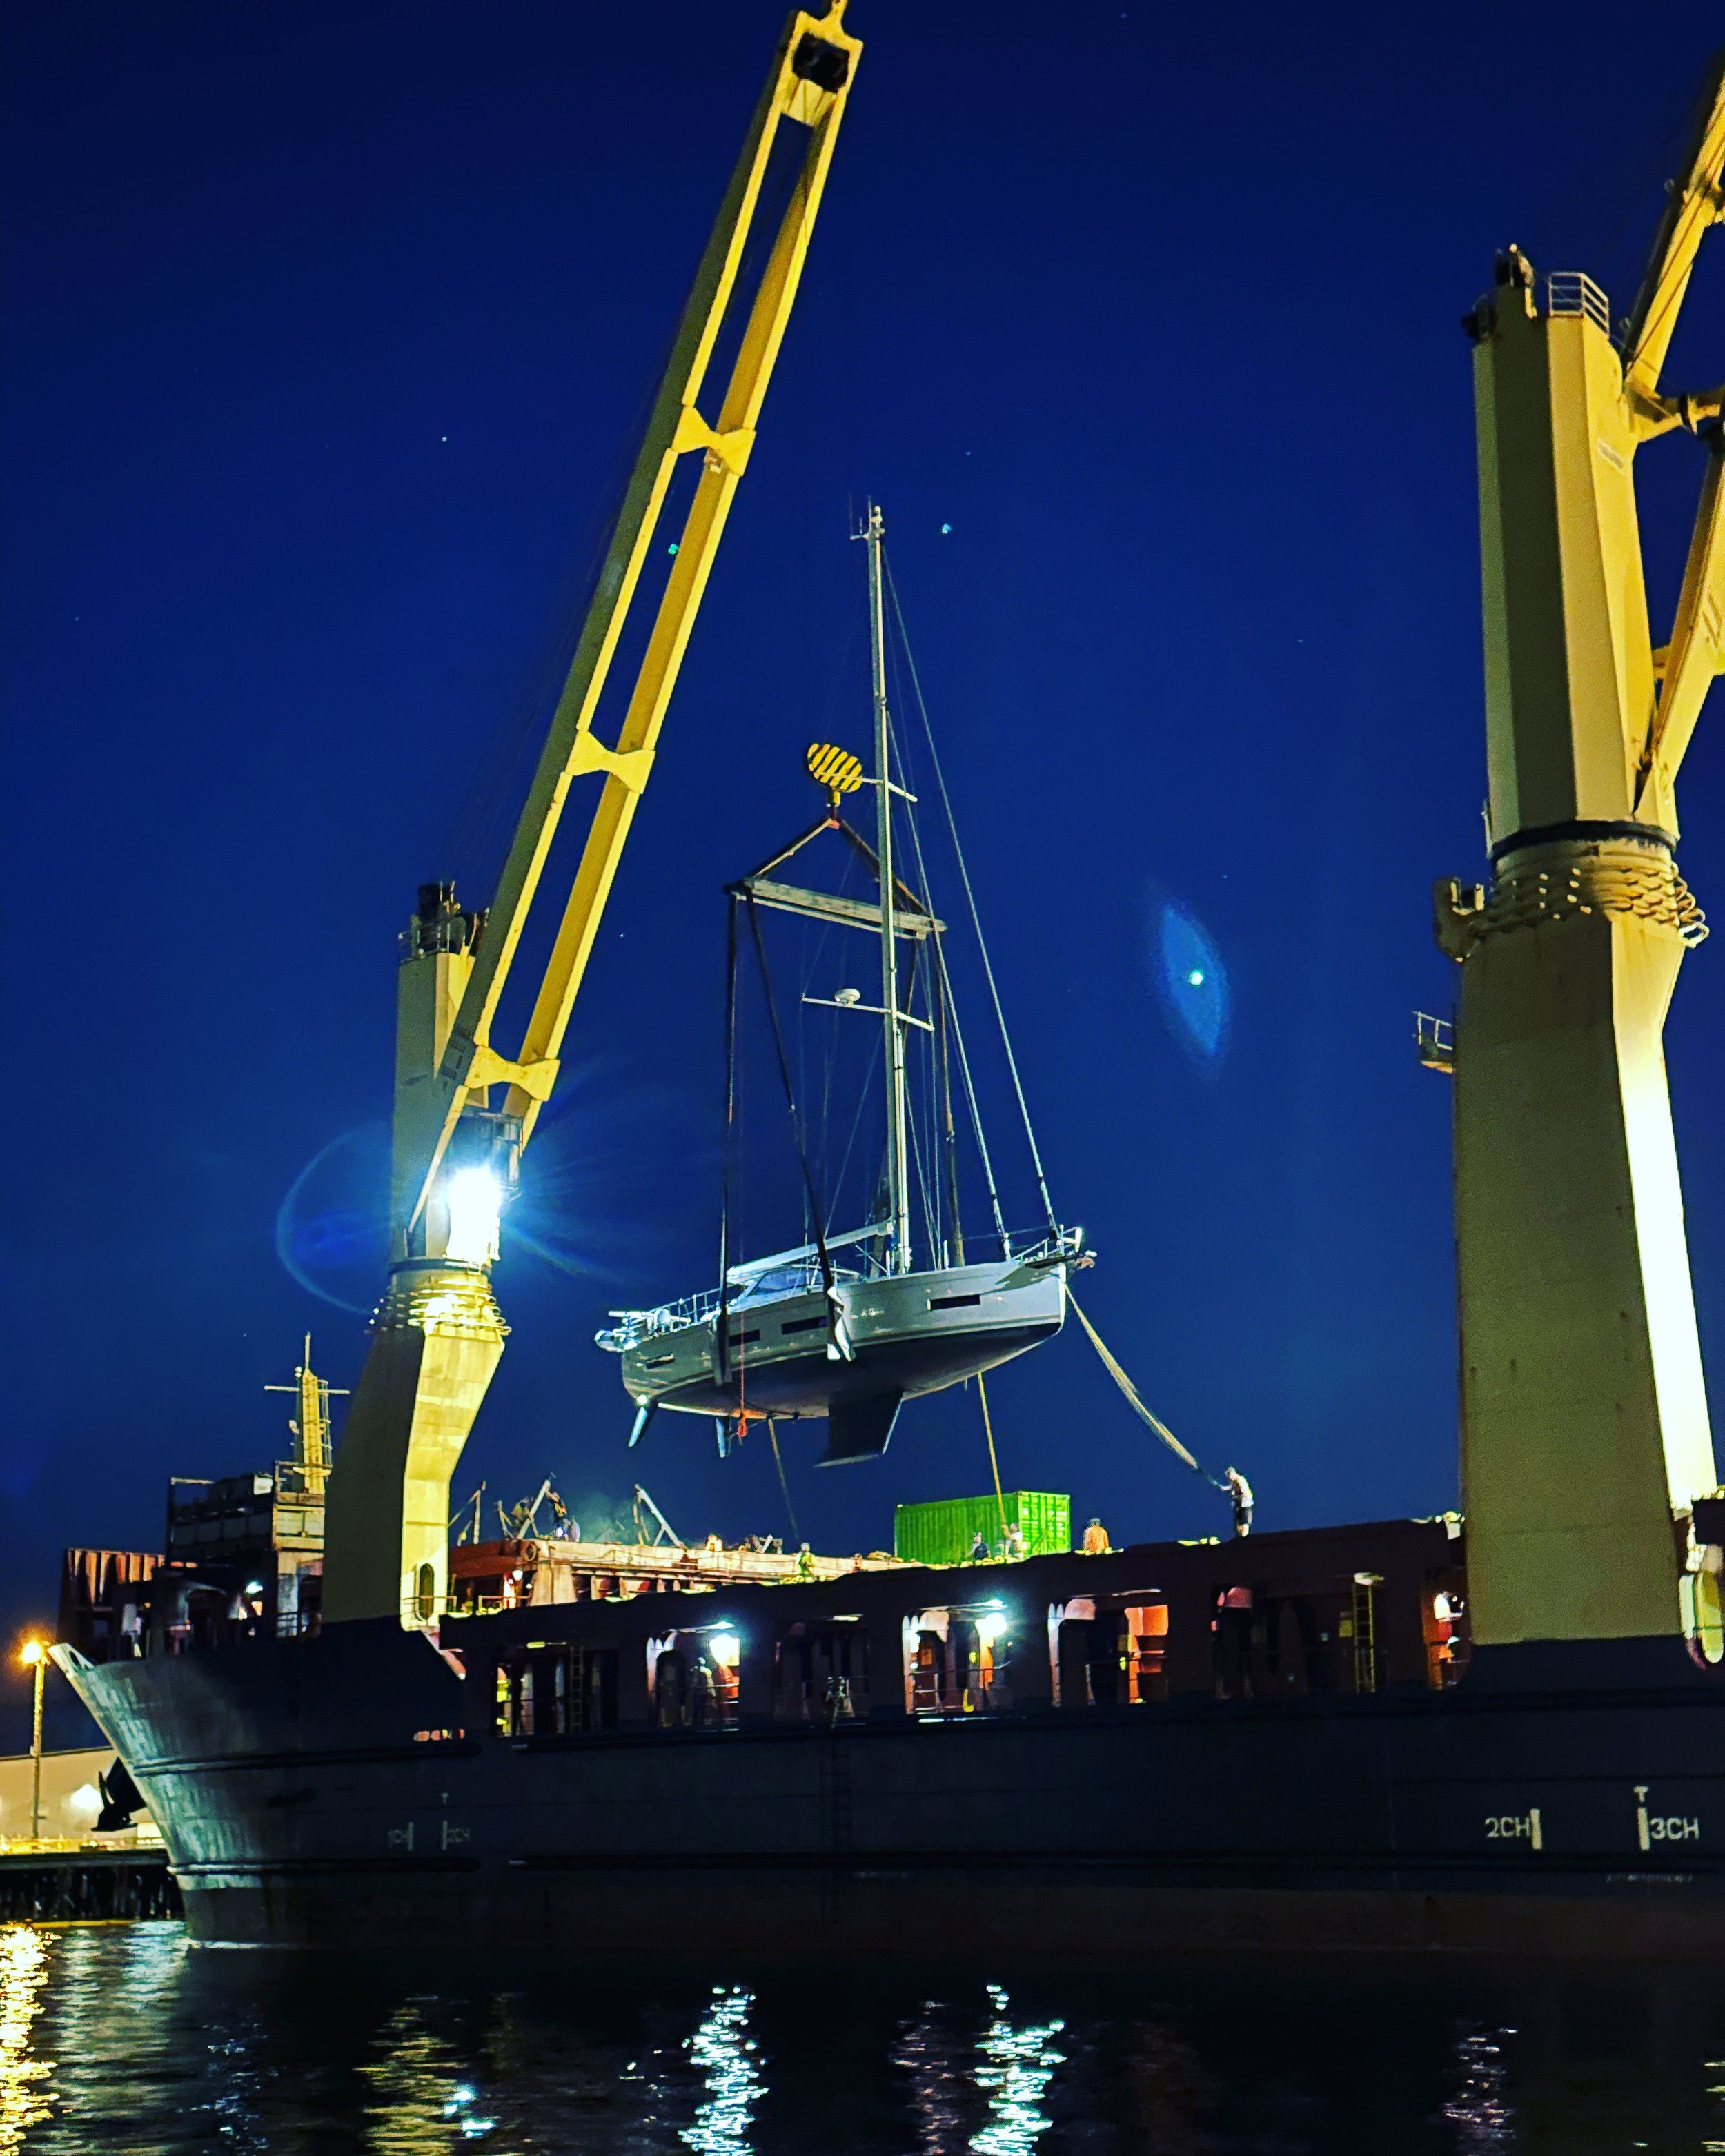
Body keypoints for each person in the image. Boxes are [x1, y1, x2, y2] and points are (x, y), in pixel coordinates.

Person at [1225, 1466, 1255, 1539]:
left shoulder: (1241, 1480)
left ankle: (1244, 1539)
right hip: (1240, 1504)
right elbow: (1232, 1488)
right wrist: (1225, 1488)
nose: (1229, 1478)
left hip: (1246, 1503)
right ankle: (1240, 1538)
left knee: (1244, 1522)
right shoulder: (1234, 1482)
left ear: (1234, 1474)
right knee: (1238, 1522)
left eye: (1230, 1476)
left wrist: (1235, 1496)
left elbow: (1244, 1493)